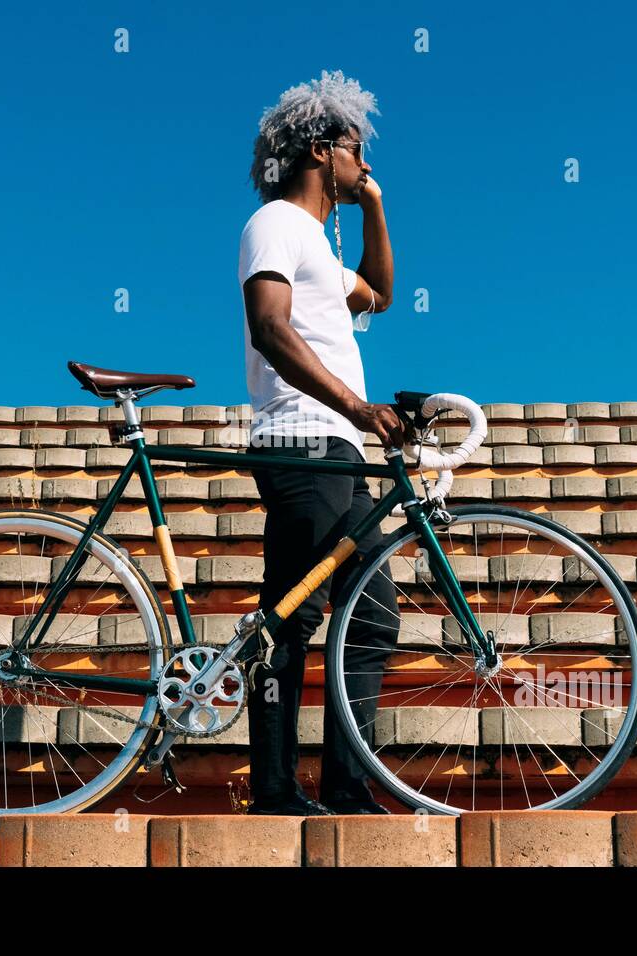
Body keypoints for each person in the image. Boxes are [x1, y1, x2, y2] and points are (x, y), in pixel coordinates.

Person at [237, 69, 404, 815]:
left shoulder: (316, 245)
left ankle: (346, 784)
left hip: (337, 448)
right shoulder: (274, 222)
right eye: (355, 149)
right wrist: (356, 405)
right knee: (293, 617)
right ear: (316, 148)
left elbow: (380, 292)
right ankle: (275, 789)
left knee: (368, 612)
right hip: (302, 442)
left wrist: (372, 202)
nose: (366, 161)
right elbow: (271, 327)